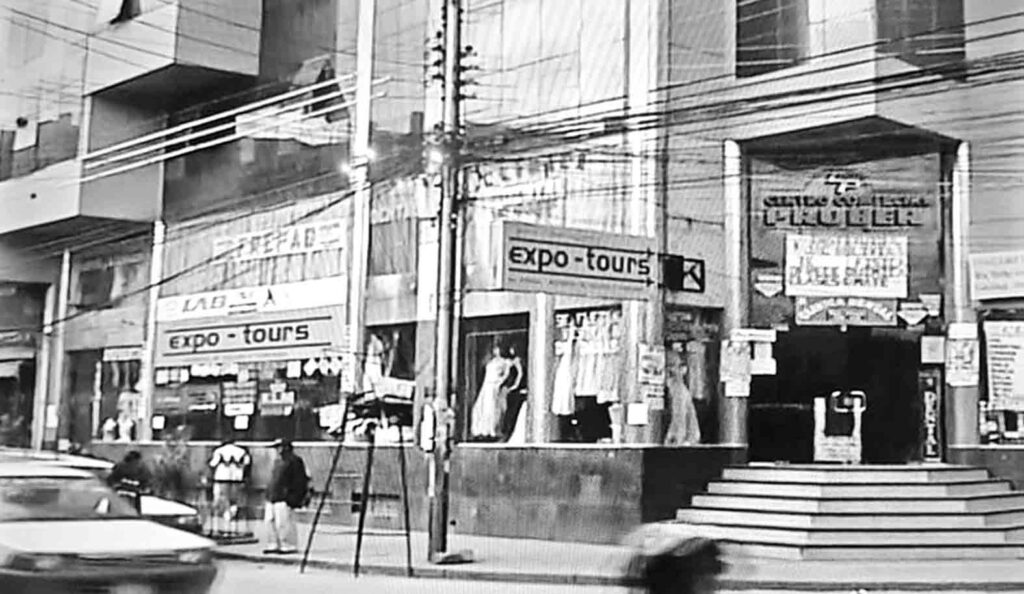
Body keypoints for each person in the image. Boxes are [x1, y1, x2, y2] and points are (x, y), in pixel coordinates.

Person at [263, 439, 310, 554]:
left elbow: (299, 481)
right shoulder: (278, 461)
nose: (277, 450)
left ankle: (288, 545)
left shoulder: (295, 461)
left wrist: (295, 497)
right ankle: (273, 544)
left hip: (284, 496)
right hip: (273, 495)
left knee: (284, 523)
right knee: (270, 521)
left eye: (279, 447)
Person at [209, 439, 251, 535]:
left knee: (221, 502)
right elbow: (247, 463)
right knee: (234, 502)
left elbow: (213, 463)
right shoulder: (242, 451)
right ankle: (232, 526)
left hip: (221, 479)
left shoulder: (219, 451)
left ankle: (221, 527)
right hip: (237, 480)